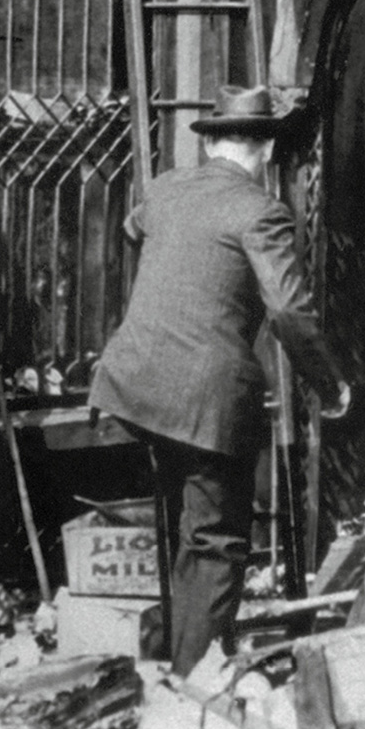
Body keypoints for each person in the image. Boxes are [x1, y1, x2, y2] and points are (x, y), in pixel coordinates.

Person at [91, 87, 346, 676]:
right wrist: (329, 387)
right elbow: (287, 312)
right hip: (203, 396)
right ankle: (193, 693)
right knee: (217, 543)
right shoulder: (260, 211)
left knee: (191, 524)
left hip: (134, 383)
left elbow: (132, 233)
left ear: (209, 143)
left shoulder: (166, 188)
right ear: (265, 149)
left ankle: (180, 658)